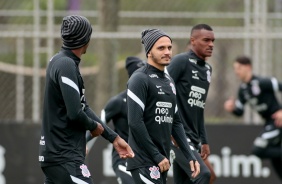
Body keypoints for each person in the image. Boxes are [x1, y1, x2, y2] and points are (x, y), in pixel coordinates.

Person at [38, 15, 134, 184]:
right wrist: (93, 126)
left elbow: (84, 108)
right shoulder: (66, 65)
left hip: (58, 156)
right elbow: (75, 113)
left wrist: (114, 138)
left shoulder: (60, 61)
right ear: (86, 39)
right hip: (64, 155)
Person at [126, 28, 200, 184]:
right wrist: (156, 155)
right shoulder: (139, 78)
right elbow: (135, 122)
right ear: (149, 52)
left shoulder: (169, 81)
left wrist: (190, 155)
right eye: (161, 48)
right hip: (144, 160)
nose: (167, 52)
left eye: (169, 47)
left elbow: (176, 122)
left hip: (162, 160)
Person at [166, 24, 215, 184]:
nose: (211, 44)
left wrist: (204, 140)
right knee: (204, 175)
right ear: (193, 41)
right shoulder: (181, 61)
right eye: (206, 40)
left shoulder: (207, 69)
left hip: (193, 137)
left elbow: (199, 107)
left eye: (213, 41)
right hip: (177, 136)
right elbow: (162, 90)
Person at [224, 55, 282, 180]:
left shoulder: (262, 82)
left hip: (277, 122)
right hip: (269, 123)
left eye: (239, 68)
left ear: (248, 67)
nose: (236, 71)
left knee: (258, 149)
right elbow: (239, 112)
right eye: (235, 68)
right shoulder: (243, 89)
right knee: (275, 158)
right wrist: (232, 108)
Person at [100, 56, 145, 184]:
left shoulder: (150, 102)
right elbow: (97, 124)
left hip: (145, 159)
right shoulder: (118, 102)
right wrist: (84, 144)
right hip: (123, 158)